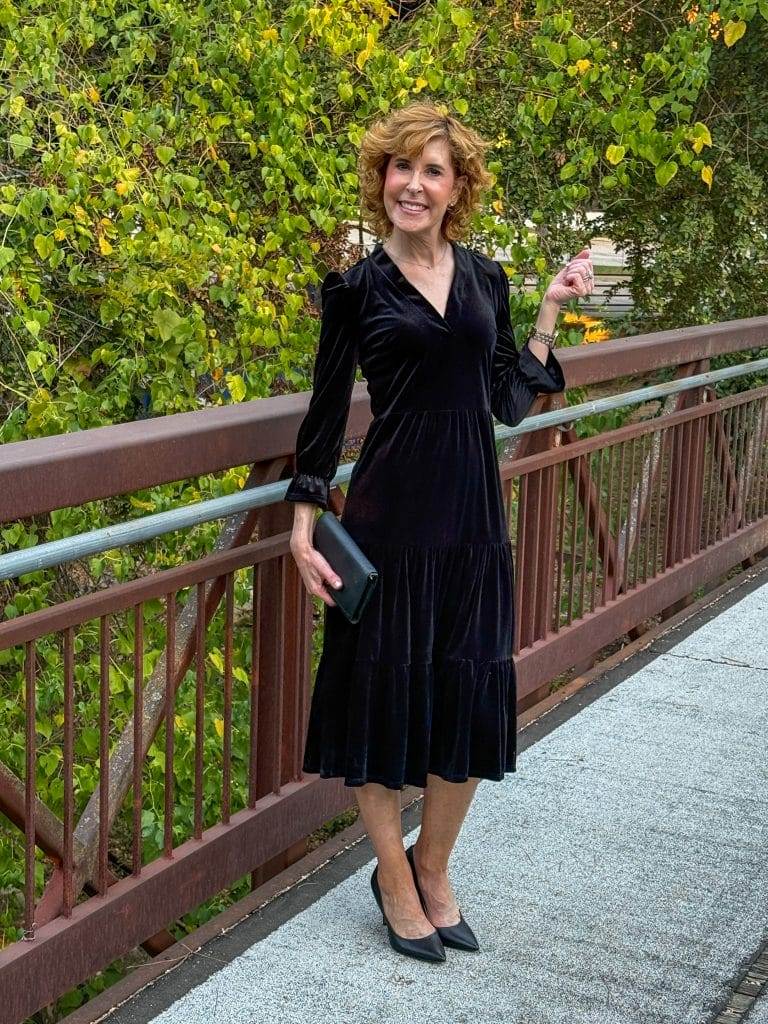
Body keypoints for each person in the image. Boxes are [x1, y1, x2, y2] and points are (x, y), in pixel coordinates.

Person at [284, 101, 594, 963]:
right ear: (381, 179)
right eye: (400, 168)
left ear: (456, 188)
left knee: (466, 696)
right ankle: (390, 875)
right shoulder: (355, 290)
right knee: (382, 702)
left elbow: (503, 403)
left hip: (471, 524)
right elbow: (320, 416)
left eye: (432, 170)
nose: (412, 185)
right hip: (387, 521)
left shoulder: (486, 279)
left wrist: (547, 310)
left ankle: (435, 862)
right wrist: (305, 525)